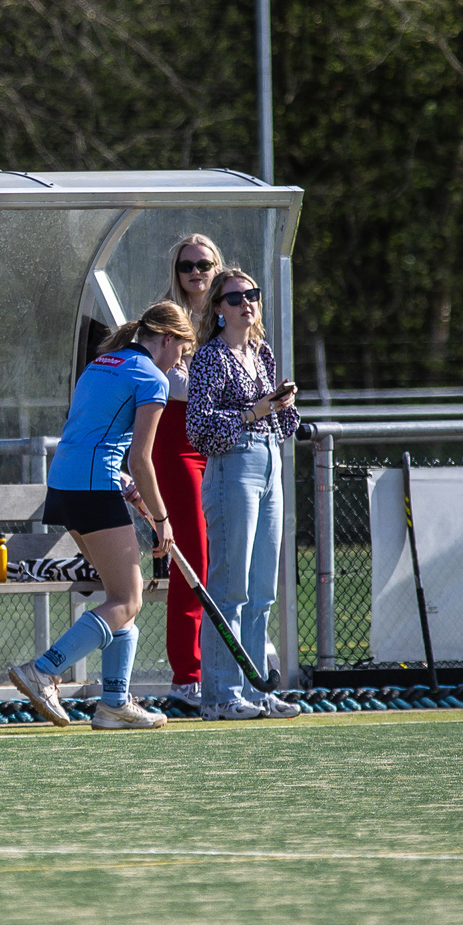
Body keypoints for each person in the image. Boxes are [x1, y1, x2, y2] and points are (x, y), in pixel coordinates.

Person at [8, 301, 194, 731]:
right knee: (128, 599)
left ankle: (113, 703)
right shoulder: (151, 377)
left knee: (119, 598)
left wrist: (127, 486)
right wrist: (162, 519)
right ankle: (45, 670)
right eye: (181, 352)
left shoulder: (102, 363)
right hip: (93, 490)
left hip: (67, 486)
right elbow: (141, 457)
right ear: (167, 339)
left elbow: (94, 435)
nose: (179, 362)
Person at [186, 266, 300, 718]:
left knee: (261, 590)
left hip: (269, 460)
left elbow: (283, 424)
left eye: (251, 294)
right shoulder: (211, 357)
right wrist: (253, 414)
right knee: (230, 587)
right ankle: (220, 695)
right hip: (234, 466)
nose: (246, 303)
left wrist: (284, 405)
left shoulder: (263, 352)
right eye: (234, 298)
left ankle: (254, 691)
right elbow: (199, 429)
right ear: (218, 309)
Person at [154, 233, 223, 715]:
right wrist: (218, 384)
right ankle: (188, 673)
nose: (196, 272)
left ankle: (230, 663)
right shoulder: (166, 317)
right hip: (177, 446)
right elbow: (168, 380)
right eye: (186, 265)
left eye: (204, 264)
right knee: (192, 555)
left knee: (231, 556)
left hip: (222, 444)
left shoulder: (232, 314)